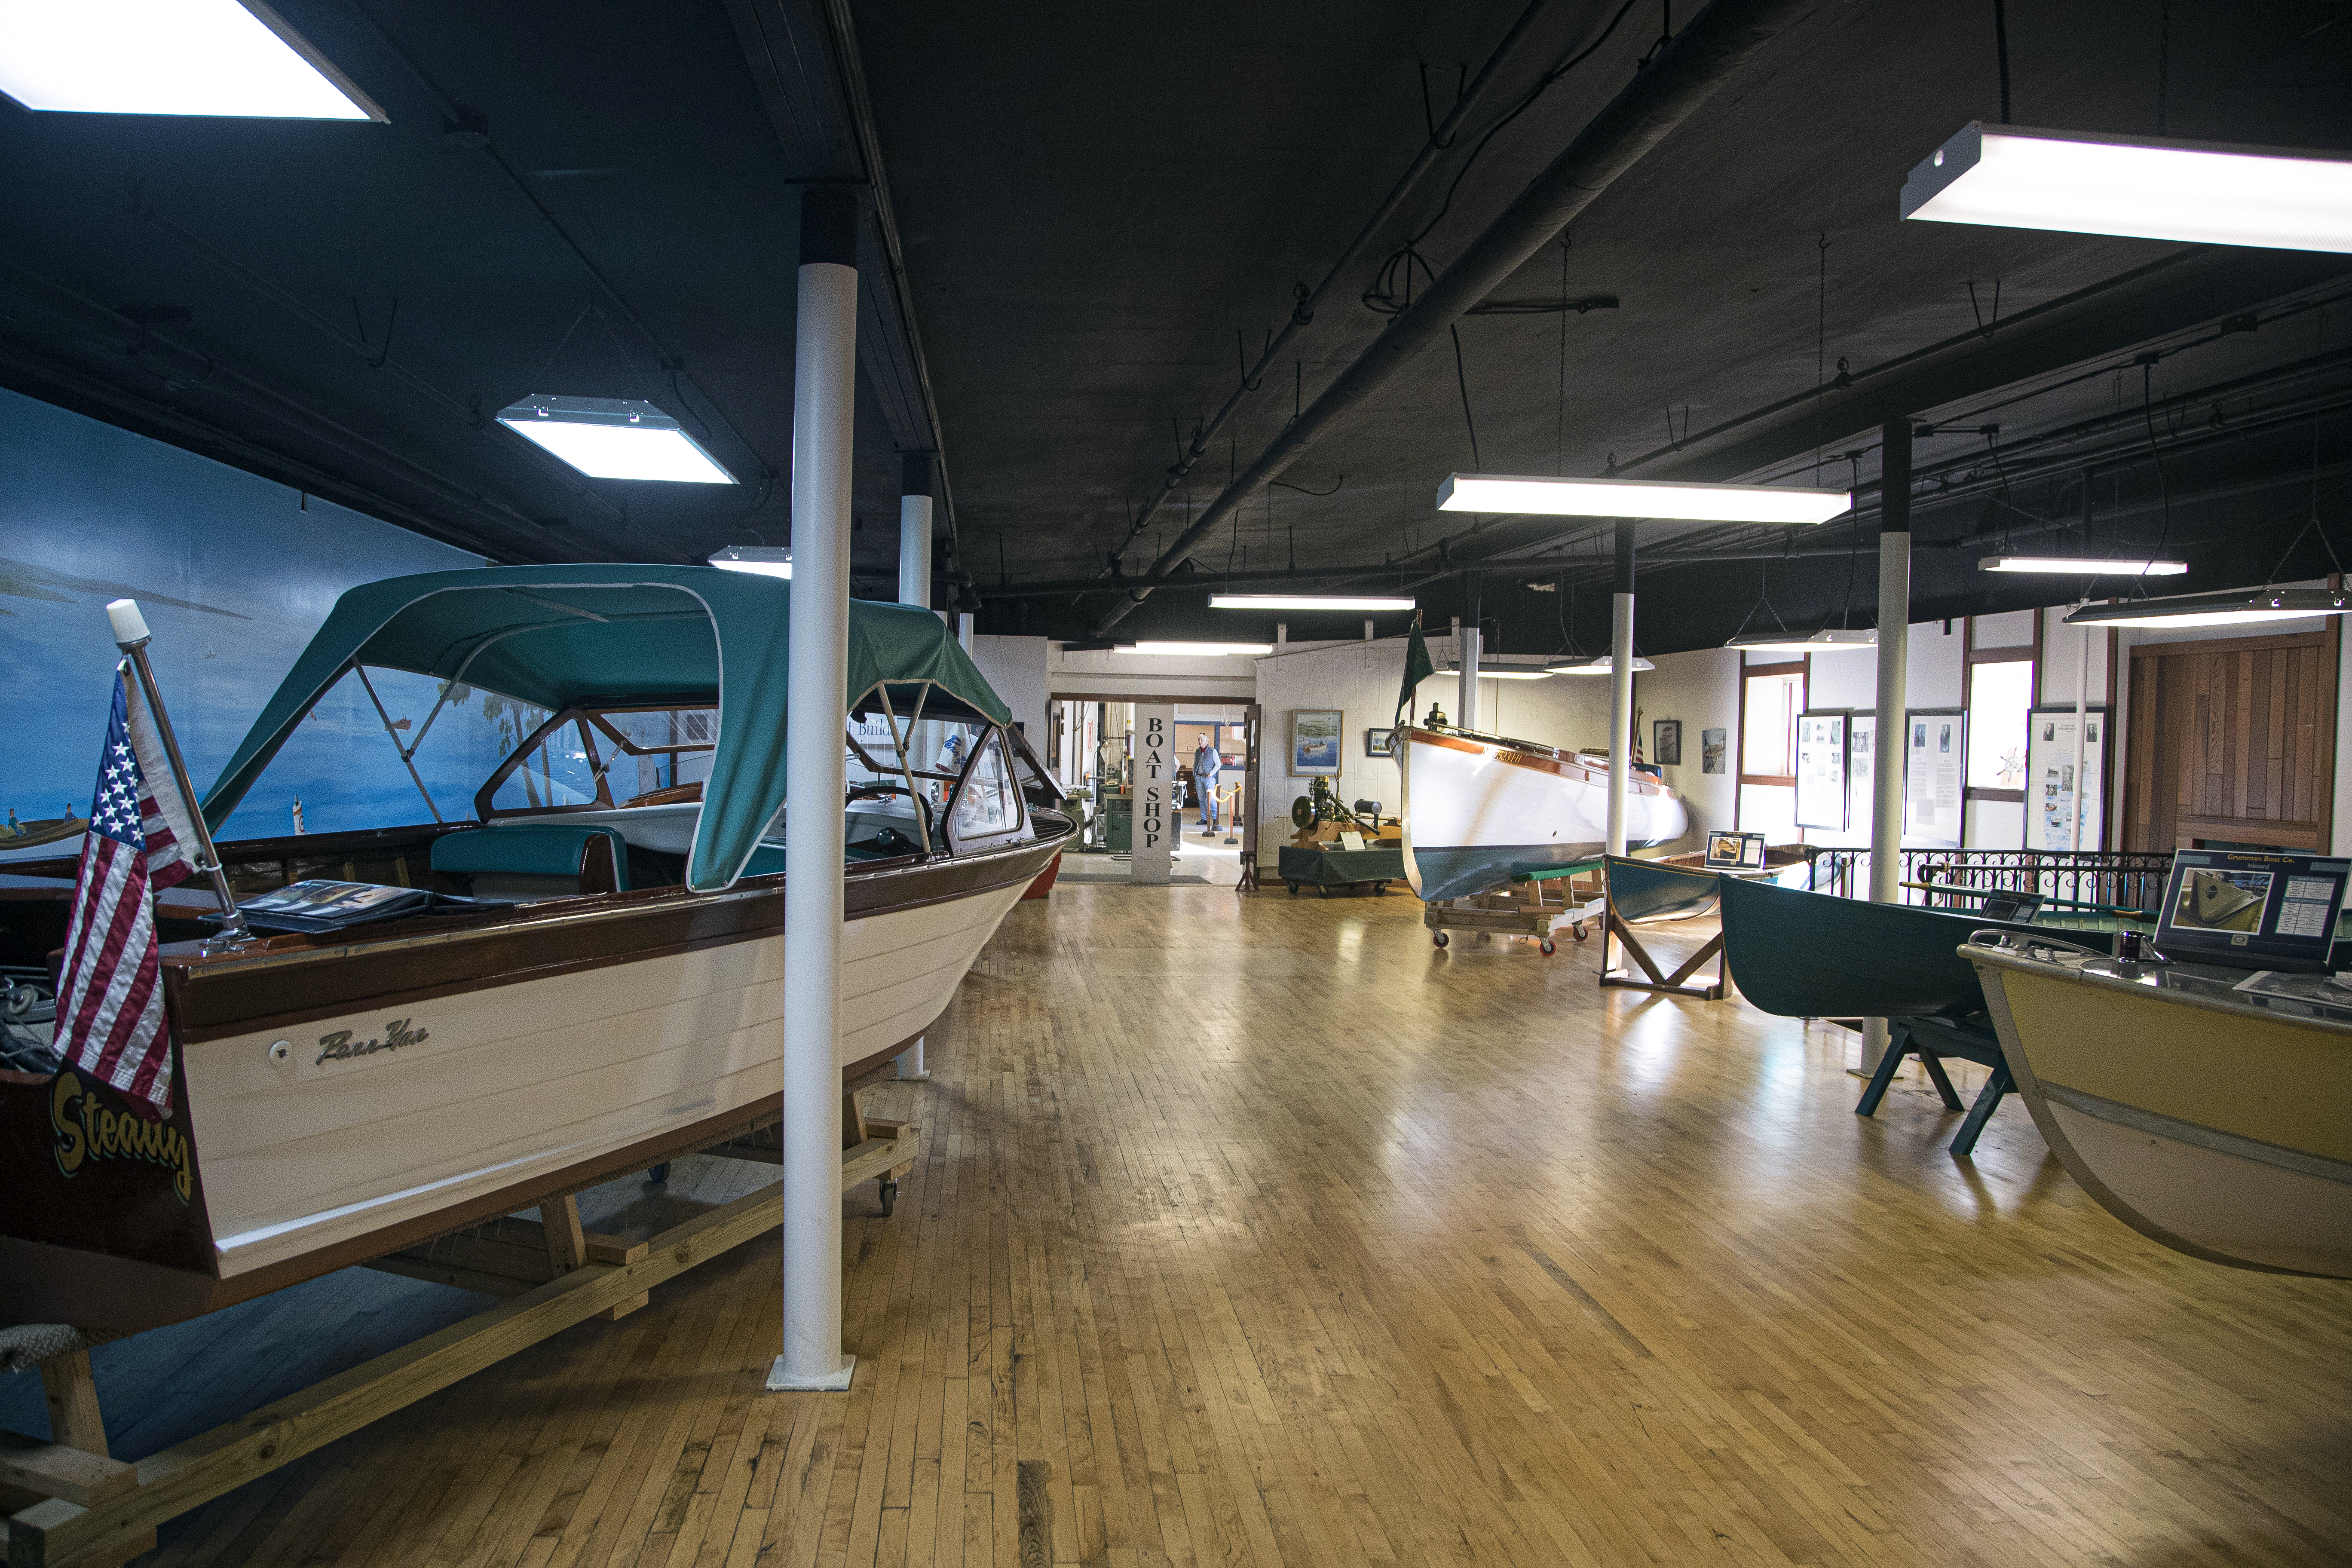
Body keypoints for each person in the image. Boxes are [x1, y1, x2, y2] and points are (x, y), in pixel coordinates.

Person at [1191, 733, 1222, 835]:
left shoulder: (1213, 751)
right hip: (1199, 778)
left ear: (1207, 741)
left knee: (1212, 799)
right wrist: (1194, 774)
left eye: (1202, 740)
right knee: (1202, 799)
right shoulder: (1198, 751)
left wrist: (1212, 773)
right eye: (1199, 740)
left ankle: (1215, 819)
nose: (1200, 742)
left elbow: (1218, 765)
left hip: (1209, 779)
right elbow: (1195, 763)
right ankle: (1204, 818)